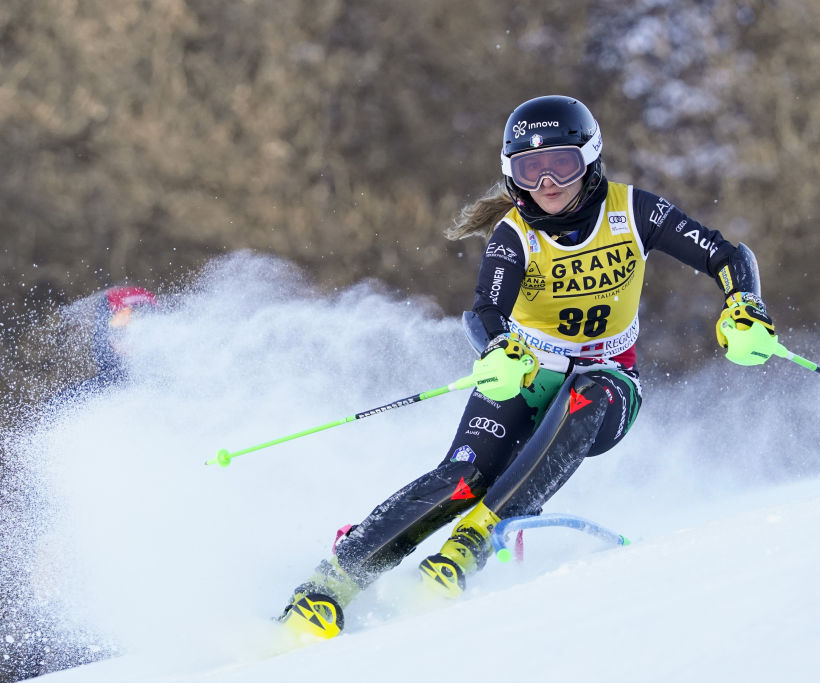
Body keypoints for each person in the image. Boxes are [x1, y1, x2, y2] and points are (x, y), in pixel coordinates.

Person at [280, 95, 777, 638]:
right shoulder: (514, 234)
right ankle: (332, 580)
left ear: (589, 159)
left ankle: (472, 544)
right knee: (463, 478)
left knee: (589, 390)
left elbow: (727, 256)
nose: (546, 184)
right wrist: (498, 350)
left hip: (608, 382)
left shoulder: (632, 211)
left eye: (560, 165)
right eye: (529, 170)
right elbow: (486, 311)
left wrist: (744, 307)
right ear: (511, 175)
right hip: (525, 374)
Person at [51, 285, 158, 405]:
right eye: (121, 331)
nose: (133, 340)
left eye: (145, 332)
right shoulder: (82, 398)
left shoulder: (168, 384)